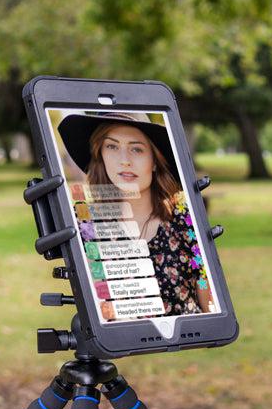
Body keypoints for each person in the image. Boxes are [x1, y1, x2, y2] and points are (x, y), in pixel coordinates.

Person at [58, 111, 212, 316]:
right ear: (101, 155)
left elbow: (205, 290)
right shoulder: (85, 226)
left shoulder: (184, 220)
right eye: (112, 146)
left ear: (155, 160)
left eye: (137, 149)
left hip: (185, 343)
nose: (124, 161)